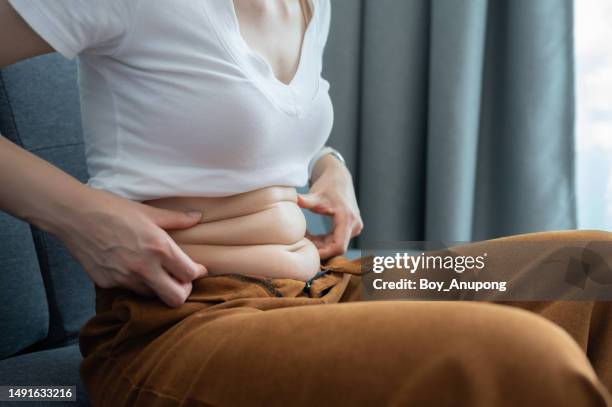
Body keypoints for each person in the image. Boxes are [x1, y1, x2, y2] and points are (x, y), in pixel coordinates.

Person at [0, 0, 611, 406]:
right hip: (187, 322)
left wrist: (330, 167)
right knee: (514, 357)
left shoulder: (309, 3)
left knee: (594, 266)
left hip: (334, 285)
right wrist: (76, 215)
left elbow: (270, 128)